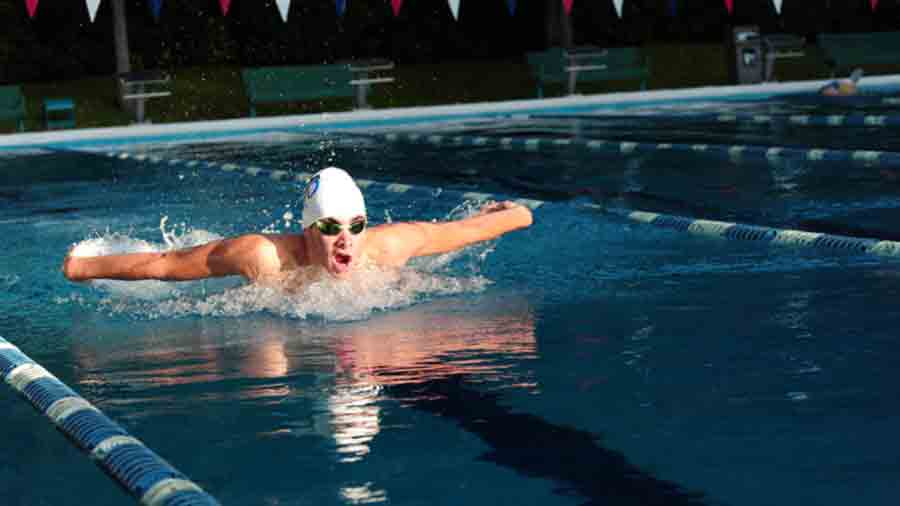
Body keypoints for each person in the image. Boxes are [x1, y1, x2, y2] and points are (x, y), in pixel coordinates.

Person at [62, 166, 533, 286]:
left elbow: (464, 232)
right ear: (308, 231)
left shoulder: (387, 247)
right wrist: (83, 268)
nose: (346, 238)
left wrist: (515, 214)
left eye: (357, 225)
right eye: (330, 226)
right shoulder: (262, 256)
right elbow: (166, 264)